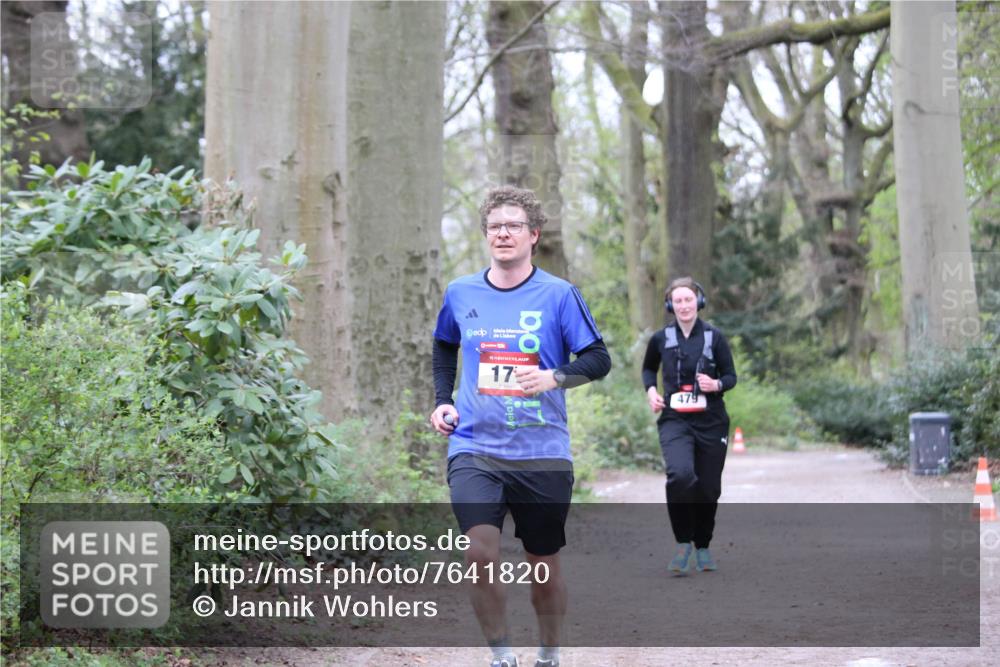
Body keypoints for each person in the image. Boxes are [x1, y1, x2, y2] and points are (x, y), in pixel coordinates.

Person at [429, 185, 611, 667]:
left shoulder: (558, 294)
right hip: (474, 447)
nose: (502, 233)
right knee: (479, 553)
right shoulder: (460, 292)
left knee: (543, 564)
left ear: (533, 235)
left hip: (543, 451)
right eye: (494, 226)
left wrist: (554, 376)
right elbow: (445, 345)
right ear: (486, 235)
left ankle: (549, 652)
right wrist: (442, 401)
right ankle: (501, 654)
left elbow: (598, 358)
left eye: (512, 226)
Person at [641, 277, 737, 575]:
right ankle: (683, 543)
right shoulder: (660, 339)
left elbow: (731, 376)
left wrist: (716, 383)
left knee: (708, 489)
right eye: (678, 301)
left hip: (712, 421)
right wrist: (652, 392)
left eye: (688, 299)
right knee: (680, 476)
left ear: (699, 302)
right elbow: (648, 369)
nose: (684, 305)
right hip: (675, 420)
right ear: (670, 305)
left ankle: (703, 545)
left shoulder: (714, 337)